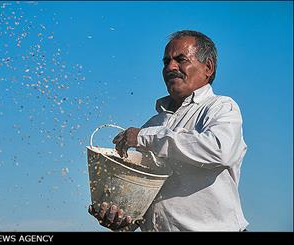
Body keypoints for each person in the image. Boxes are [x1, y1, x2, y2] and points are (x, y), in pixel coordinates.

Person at [88, 30, 248, 231]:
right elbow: (143, 195)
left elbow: (219, 150)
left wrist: (144, 138)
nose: (171, 67)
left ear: (208, 68)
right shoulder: (153, 124)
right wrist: (121, 219)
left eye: (181, 59)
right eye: (166, 62)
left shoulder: (221, 107)